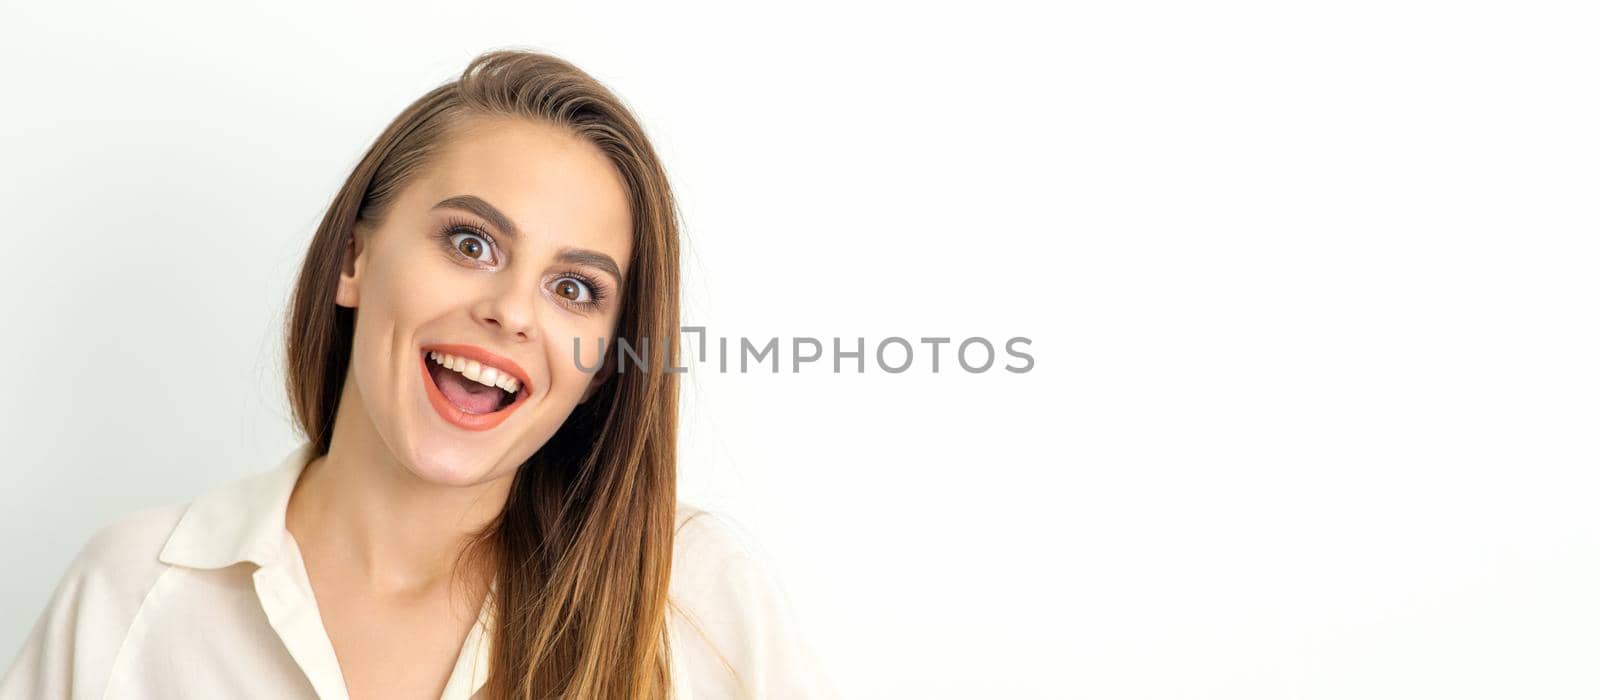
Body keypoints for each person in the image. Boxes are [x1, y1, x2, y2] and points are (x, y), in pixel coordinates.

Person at [0, 49, 833, 700]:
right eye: (472, 244)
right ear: (355, 259)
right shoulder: (134, 590)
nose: (512, 311)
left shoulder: (694, 598)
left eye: (573, 288)